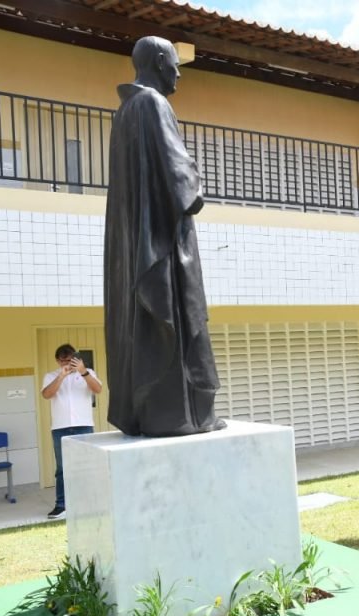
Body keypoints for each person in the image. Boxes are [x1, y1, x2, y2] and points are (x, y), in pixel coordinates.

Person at [105, 36, 224, 438]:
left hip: (140, 240)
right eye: (175, 65)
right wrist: (195, 183)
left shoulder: (124, 112)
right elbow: (181, 179)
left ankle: (151, 413)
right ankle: (183, 416)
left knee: (147, 328)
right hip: (164, 240)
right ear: (159, 61)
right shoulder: (154, 104)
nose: (178, 74)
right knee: (177, 319)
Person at [41, 344, 102, 520]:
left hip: (84, 425)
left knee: (87, 465)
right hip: (60, 427)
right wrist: (61, 375)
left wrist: (83, 372)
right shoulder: (51, 376)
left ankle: (89, 504)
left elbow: (97, 389)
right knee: (62, 468)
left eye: (69, 360)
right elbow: (47, 395)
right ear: (57, 361)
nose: (66, 363)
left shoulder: (87, 372)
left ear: (77, 359)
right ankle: (61, 506)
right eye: (62, 361)